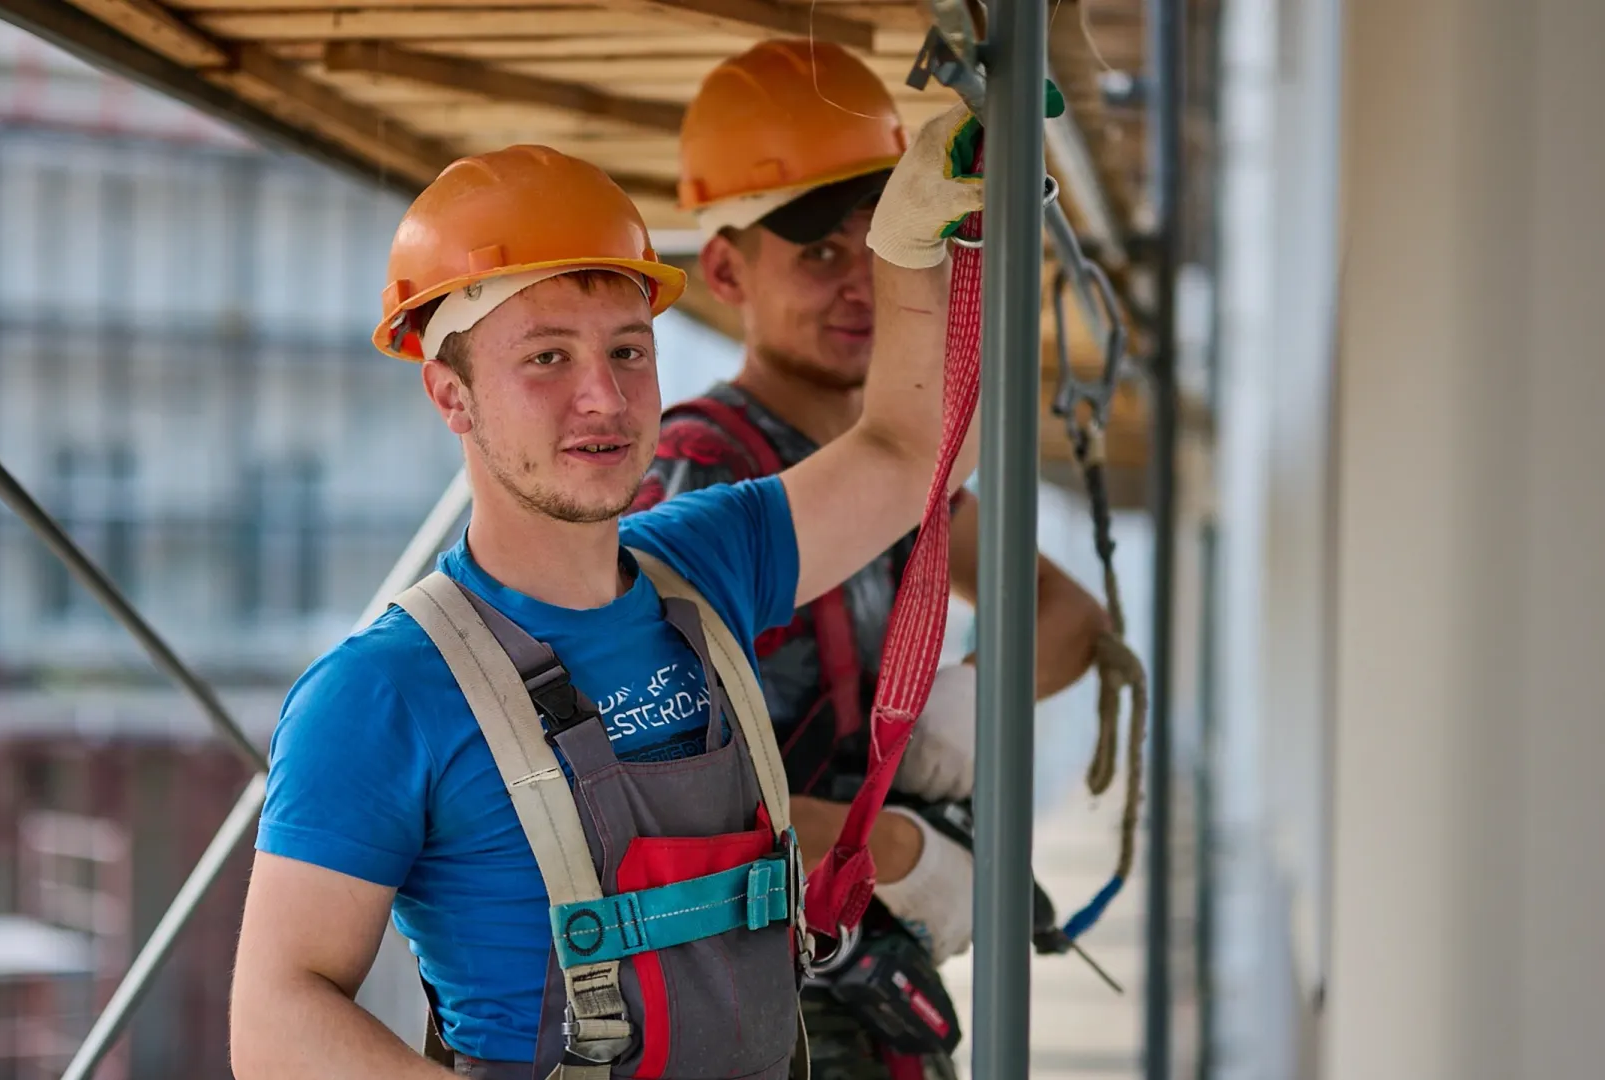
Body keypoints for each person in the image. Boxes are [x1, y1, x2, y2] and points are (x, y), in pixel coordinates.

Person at [229, 102, 992, 1080]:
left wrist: (920, 243)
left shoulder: (709, 562)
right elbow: (276, 1020)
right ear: (450, 393)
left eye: (628, 350)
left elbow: (910, 450)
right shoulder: (382, 694)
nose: (605, 397)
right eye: (547, 357)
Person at [629, 39, 1112, 1080]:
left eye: (879, 243)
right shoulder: (705, 482)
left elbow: (1066, 619)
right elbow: (664, 794)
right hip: (757, 1018)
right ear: (725, 270)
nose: (860, 284)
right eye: (817, 252)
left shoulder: (884, 483)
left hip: (857, 1009)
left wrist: (947, 724)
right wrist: (891, 848)